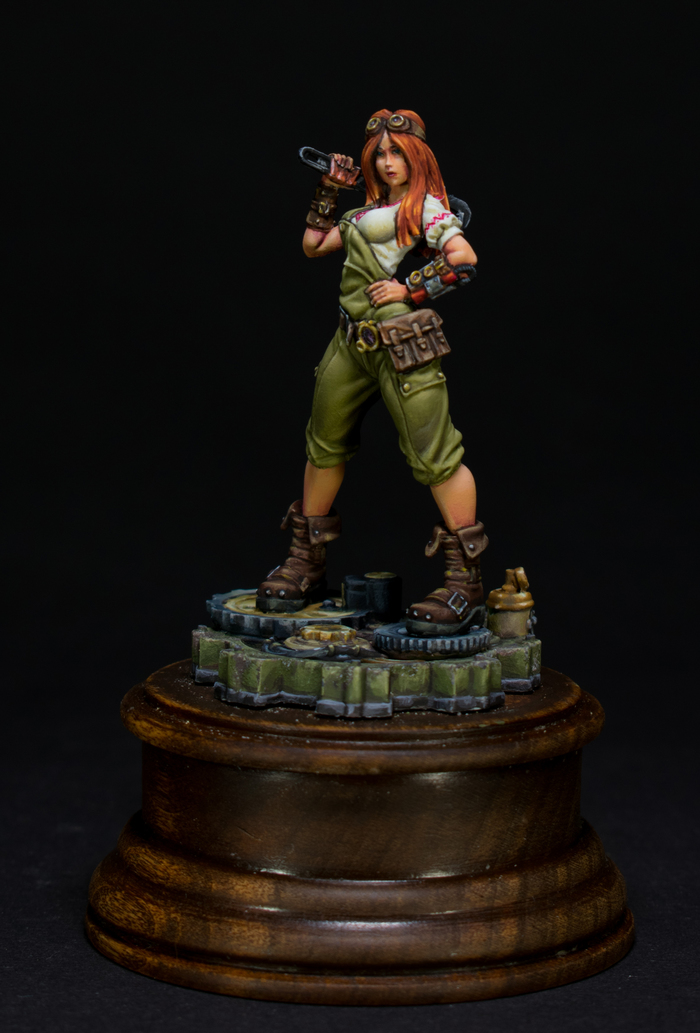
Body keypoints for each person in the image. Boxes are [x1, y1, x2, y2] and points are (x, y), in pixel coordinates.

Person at [257, 109, 488, 636]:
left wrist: (410, 288)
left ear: (417, 158)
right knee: (323, 444)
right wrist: (328, 189)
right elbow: (314, 246)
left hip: (400, 341)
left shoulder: (424, 209)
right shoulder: (366, 212)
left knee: (435, 454)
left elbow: (464, 257)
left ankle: (465, 580)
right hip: (349, 340)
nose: (387, 162)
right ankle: (305, 562)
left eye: (397, 153)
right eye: (379, 154)